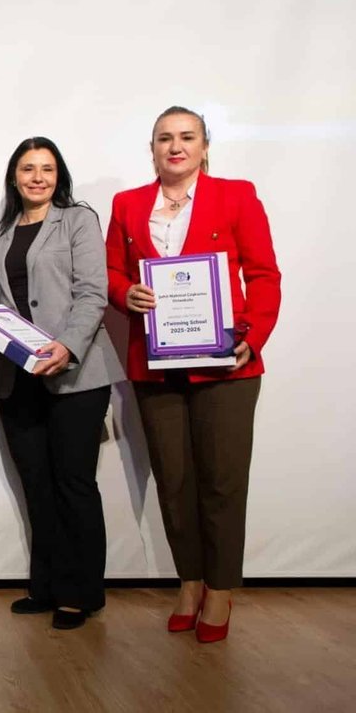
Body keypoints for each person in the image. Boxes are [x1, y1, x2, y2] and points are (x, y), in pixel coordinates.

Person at [106, 106, 281, 642]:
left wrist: (252, 337)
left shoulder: (237, 195)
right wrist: (125, 293)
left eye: (187, 137)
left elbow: (264, 275)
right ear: (152, 148)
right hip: (156, 365)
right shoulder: (128, 204)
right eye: (165, 138)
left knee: (222, 482)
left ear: (205, 146)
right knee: (174, 480)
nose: (175, 146)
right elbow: (111, 270)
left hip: (226, 366)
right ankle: (190, 582)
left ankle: (221, 589)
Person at [0, 137, 123, 630]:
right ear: (15, 176)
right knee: (37, 487)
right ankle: (44, 586)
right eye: (28, 168)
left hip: (75, 375)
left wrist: (66, 346)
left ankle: (79, 593)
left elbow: (93, 293)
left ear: (59, 174)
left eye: (47, 168)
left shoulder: (78, 220)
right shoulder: (1, 235)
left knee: (73, 484)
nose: (37, 177)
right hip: (18, 378)